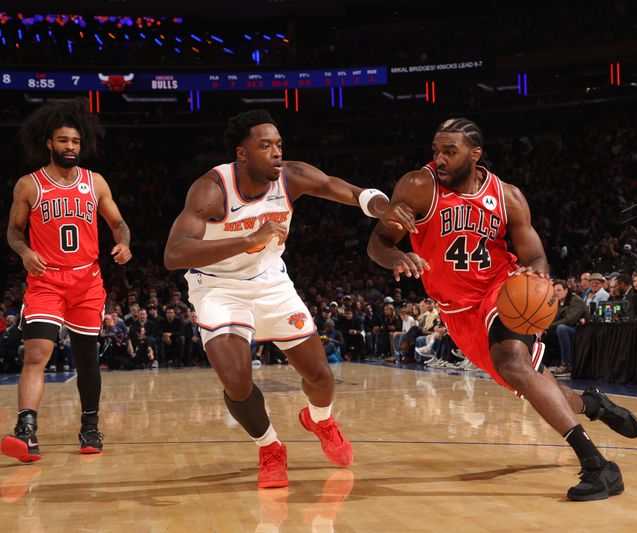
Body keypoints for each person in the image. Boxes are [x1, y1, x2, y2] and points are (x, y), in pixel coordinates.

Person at [367, 117, 637, 501]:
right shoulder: (417, 186)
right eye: (436, 151)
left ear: (475, 154)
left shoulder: (507, 196)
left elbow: (536, 257)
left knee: (514, 363)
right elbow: (377, 242)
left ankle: (599, 466)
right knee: (531, 381)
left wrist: (539, 289)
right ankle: (592, 403)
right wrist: (396, 254)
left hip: (502, 289)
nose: (440, 159)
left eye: (450, 151)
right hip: (457, 312)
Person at [163, 109, 411, 489]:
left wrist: (382, 206)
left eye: (278, 144)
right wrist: (247, 240)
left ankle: (321, 420)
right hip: (217, 287)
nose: (276, 152)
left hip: (270, 282)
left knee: (320, 376)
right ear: (242, 154)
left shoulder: (291, 176)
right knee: (236, 380)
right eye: (265, 146)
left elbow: (344, 189)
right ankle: (270, 447)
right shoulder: (212, 189)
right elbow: (175, 254)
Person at [3, 99, 132, 463]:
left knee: (87, 358)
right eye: (63, 141)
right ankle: (26, 430)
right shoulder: (29, 185)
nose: (70, 147)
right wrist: (25, 252)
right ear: (48, 142)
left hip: (87, 281)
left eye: (75, 141)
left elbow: (118, 223)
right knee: (36, 354)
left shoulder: (95, 182)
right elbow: (13, 232)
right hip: (46, 281)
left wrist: (123, 242)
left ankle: (90, 426)